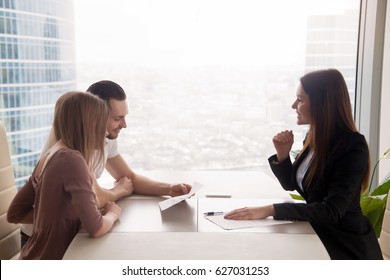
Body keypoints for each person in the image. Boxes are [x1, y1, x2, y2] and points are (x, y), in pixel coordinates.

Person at [224, 69, 383, 260]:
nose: (293, 105)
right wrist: (283, 156)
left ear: (322, 104)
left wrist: (270, 209)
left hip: (345, 246)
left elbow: (331, 211)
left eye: (300, 100)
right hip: (316, 235)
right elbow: (296, 185)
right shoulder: (314, 137)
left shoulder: (352, 146)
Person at [18, 80, 192, 247]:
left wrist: (169, 188)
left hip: (70, 230)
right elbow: (96, 198)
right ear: (95, 116)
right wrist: (119, 191)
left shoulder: (105, 136)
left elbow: (128, 177)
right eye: (117, 118)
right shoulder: (73, 145)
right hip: (42, 238)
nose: (124, 125)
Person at [7, 91, 122, 259]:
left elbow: (15, 213)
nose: (105, 133)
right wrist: (112, 213)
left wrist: (58, 218)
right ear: (88, 124)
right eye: (101, 125)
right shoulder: (73, 160)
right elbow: (96, 228)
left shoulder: (50, 155)